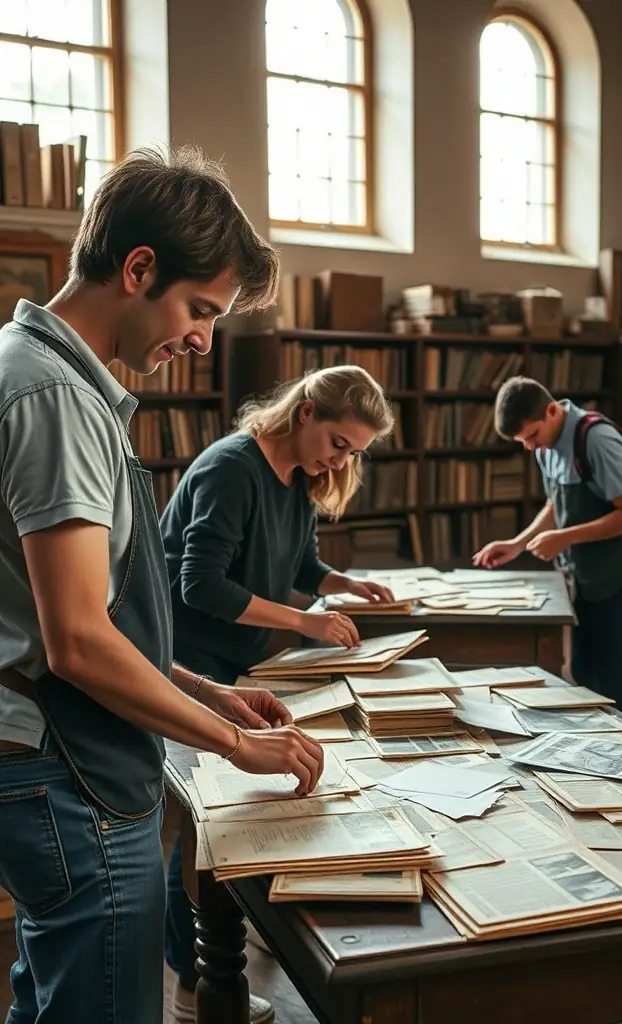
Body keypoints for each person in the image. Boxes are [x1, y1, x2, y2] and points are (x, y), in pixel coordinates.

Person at [0, 146, 326, 1024]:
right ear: (137, 268)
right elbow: (73, 640)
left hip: (57, 760)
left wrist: (202, 687)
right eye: (199, 309)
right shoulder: (55, 397)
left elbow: (62, 616)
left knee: (55, 999)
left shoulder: (46, 376)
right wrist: (229, 742)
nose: (201, 339)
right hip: (69, 771)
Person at [160, 364, 396, 997]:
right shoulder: (231, 467)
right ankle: (191, 979)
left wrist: (344, 584)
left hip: (244, 659)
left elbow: (299, 562)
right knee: (200, 823)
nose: (342, 461)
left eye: (356, 453)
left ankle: (232, 921)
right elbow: (200, 584)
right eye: (339, 444)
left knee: (248, 803)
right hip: (187, 662)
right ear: (306, 414)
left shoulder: (300, 473)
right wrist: (304, 620)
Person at [473, 377, 622, 719]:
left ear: (552, 411)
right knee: (584, 674)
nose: (528, 448)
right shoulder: (544, 446)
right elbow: (556, 505)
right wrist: (517, 544)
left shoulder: (597, 440)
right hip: (587, 570)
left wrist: (565, 537)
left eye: (530, 436)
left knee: (613, 680)